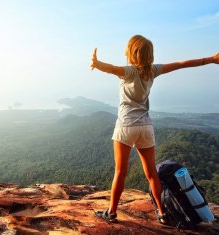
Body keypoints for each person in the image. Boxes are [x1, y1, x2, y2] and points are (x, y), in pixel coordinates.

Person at [90, 34, 219, 224]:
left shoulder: (128, 71)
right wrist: (212, 59)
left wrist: (97, 63)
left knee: (120, 172)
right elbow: (181, 64)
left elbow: (110, 69)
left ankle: (111, 213)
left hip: (126, 126)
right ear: (150, 54)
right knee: (151, 173)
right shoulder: (153, 70)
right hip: (146, 127)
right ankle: (161, 212)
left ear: (131, 52)